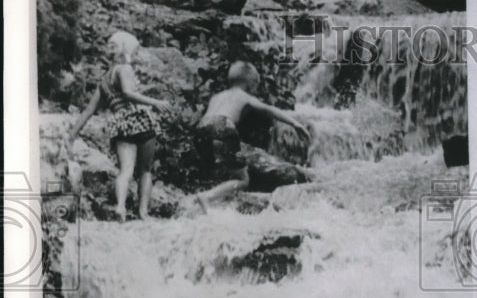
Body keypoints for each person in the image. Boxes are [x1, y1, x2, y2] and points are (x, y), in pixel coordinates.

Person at [65, 31, 170, 221]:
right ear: (128, 48)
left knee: (126, 170)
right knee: (145, 170)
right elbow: (129, 93)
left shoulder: (104, 81)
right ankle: (143, 213)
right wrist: (155, 102)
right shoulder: (125, 68)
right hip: (141, 120)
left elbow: (89, 110)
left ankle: (120, 207)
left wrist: (72, 135)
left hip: (121, 124)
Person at [193, 61, 310, 210]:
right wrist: (295, 123)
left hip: (201, 128)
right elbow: (269, 110)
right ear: (251, 83)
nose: (257, 89)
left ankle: (216, 194)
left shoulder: (217, 96)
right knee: (243, 179)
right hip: (222, 126)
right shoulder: (244, 96)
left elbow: (210, 121)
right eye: (257, 84)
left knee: (221, 166)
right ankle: (208, 196)